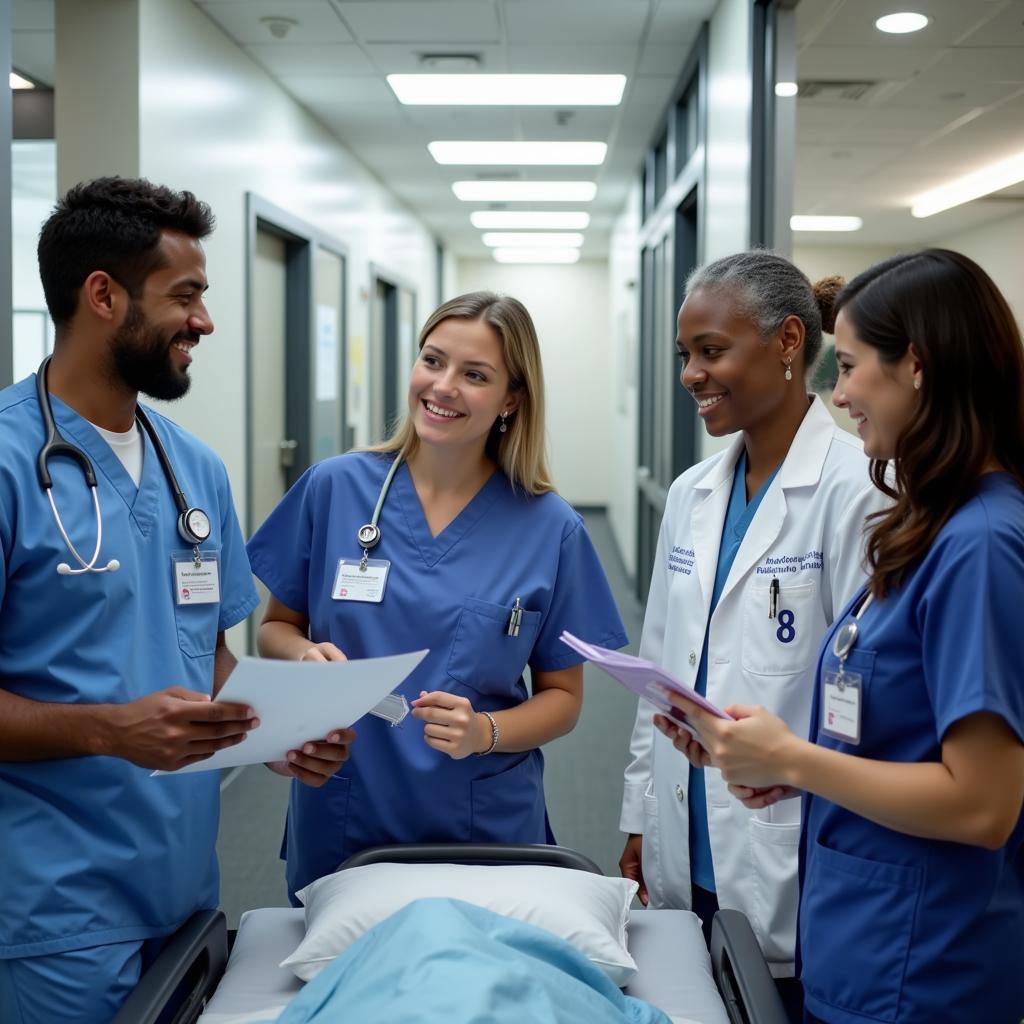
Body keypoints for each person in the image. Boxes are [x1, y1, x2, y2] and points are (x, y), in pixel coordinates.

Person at [0, 177, 352, 1024]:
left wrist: (276, 733)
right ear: (103, 295)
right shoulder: (12, 466)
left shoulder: (193, 467)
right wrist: (106, 729)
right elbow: (116, 714)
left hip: (185, 887)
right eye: (186, 295)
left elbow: (211, 653)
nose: (205, 321)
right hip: (54, 905)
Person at [663, 249, 1024, 1024]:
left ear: (918, 367)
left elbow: (984, 802)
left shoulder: (982, 543)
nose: (842, 391)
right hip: (866, 929)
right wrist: (784, 767)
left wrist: (794, 758)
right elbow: (895, 736)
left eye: (853, 366)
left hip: (924, 960)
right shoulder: (937, 526)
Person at [247, 291, 628, 899]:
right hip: (346, 808)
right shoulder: (334, 489)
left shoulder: (551, 528)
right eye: (433, 360)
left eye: (474, 375)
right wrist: (300, 657)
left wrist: (487, 732)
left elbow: (564, 698)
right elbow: (276, 626)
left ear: (512, 399)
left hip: (480, 824)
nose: (443, 385)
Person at [618, 251, 887, 991]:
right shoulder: (691, 492)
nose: (690, 375)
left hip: (793, 846)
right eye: (685, 355)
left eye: (712, 352)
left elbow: (873, 697)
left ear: (789, 342)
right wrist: (641, 816)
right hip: (685, 829)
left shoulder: (859, 493)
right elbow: (661, 671)